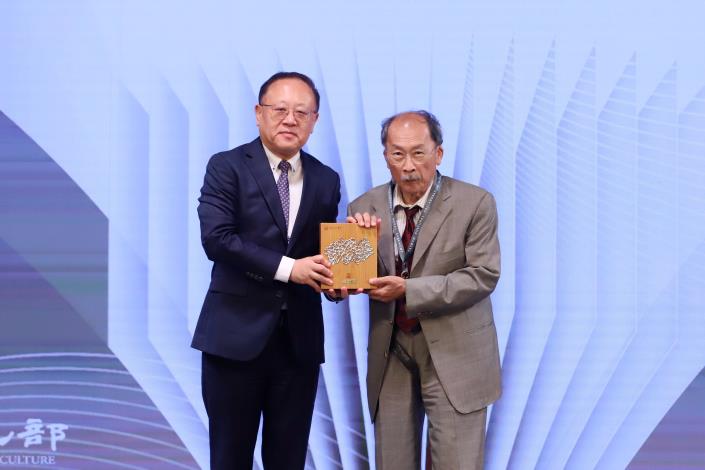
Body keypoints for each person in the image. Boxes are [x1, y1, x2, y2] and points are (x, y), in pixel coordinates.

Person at [192, 71, 341, 470]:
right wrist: (290, 269)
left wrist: (343, 276)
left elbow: (322, 257)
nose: (290, 119)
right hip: (234, 339)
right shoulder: (226, 167)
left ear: (314, 120)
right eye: (280, 110)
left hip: (298, 345)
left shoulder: (326, 180)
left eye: (302, 112)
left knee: (289, 459)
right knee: (229, 458)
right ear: (259, 114)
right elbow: (218, 240)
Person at [343, 110, 501, 469]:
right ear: (385, 156)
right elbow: (346, 282)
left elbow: (483, 275)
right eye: (397, 154)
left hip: (457, 352)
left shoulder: (475, 203)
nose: (409, 165)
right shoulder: (362, 207)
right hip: (392, 350)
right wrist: (350, 252)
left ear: (438, 154)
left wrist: (408, 290)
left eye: (419, 153)